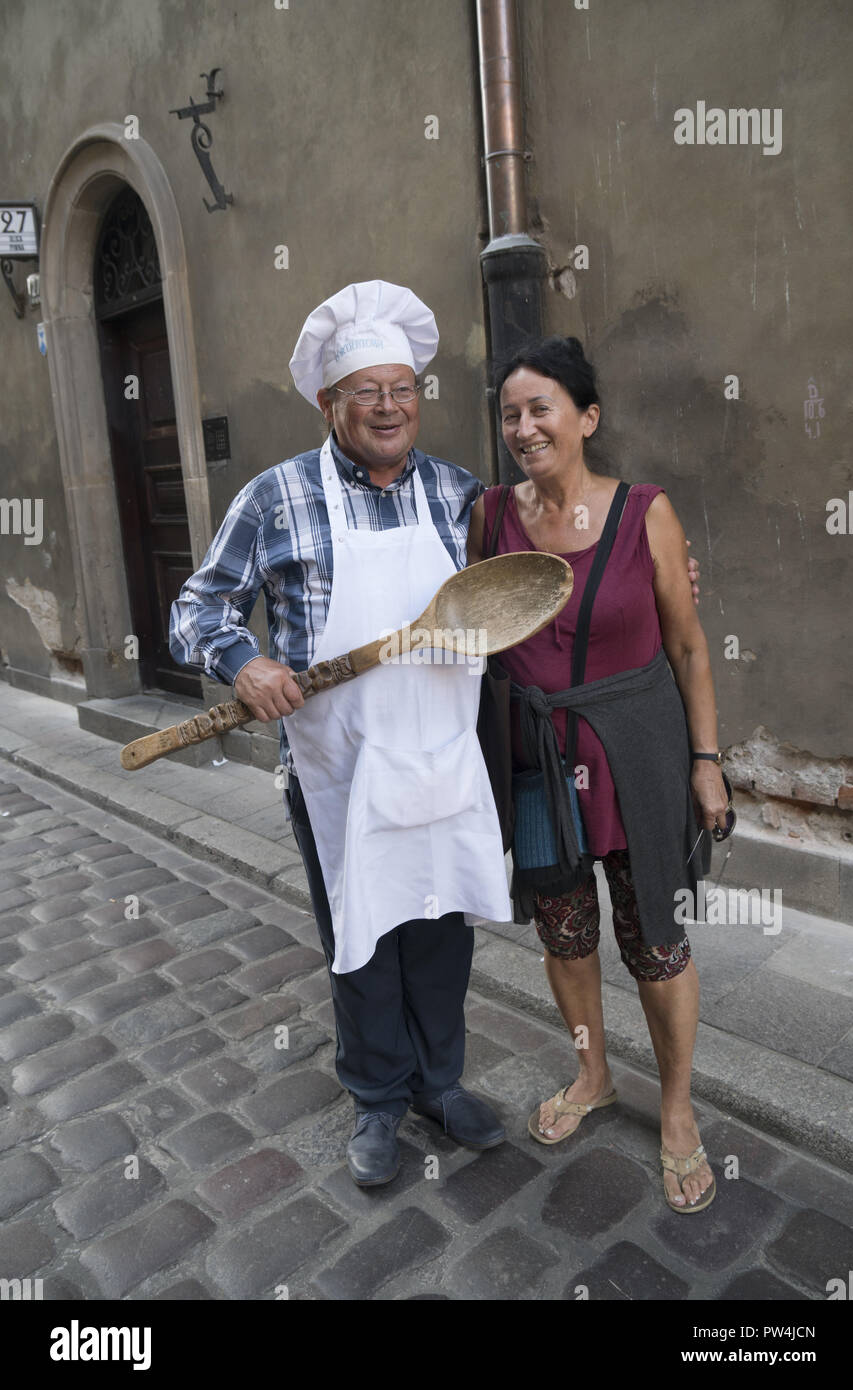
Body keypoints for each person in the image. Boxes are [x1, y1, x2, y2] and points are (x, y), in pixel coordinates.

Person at [169, 281, 514, 1187]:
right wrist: (243, 663)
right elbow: (196, 606)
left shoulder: (460, 495)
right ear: (330, 404)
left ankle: (442, 1083)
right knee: (361, 934)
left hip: (441, 753)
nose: (389, 406)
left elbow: (532, 578)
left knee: (441, 924)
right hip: (339, 770)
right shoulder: (276, 498)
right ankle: (377, 1099)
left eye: (402, 387)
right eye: (366, 390)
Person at [467, 335, 726, 1213]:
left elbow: (689, 647)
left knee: (656, 935)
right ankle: (593, 1074)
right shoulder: (489, 516)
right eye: (510, 413)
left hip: (638, 755)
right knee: (563, 931)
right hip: (537, 759)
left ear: (587, 418)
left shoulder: (644, 512)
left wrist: (707, 762)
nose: (525, 426)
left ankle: (679, 1107)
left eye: (542, 408)